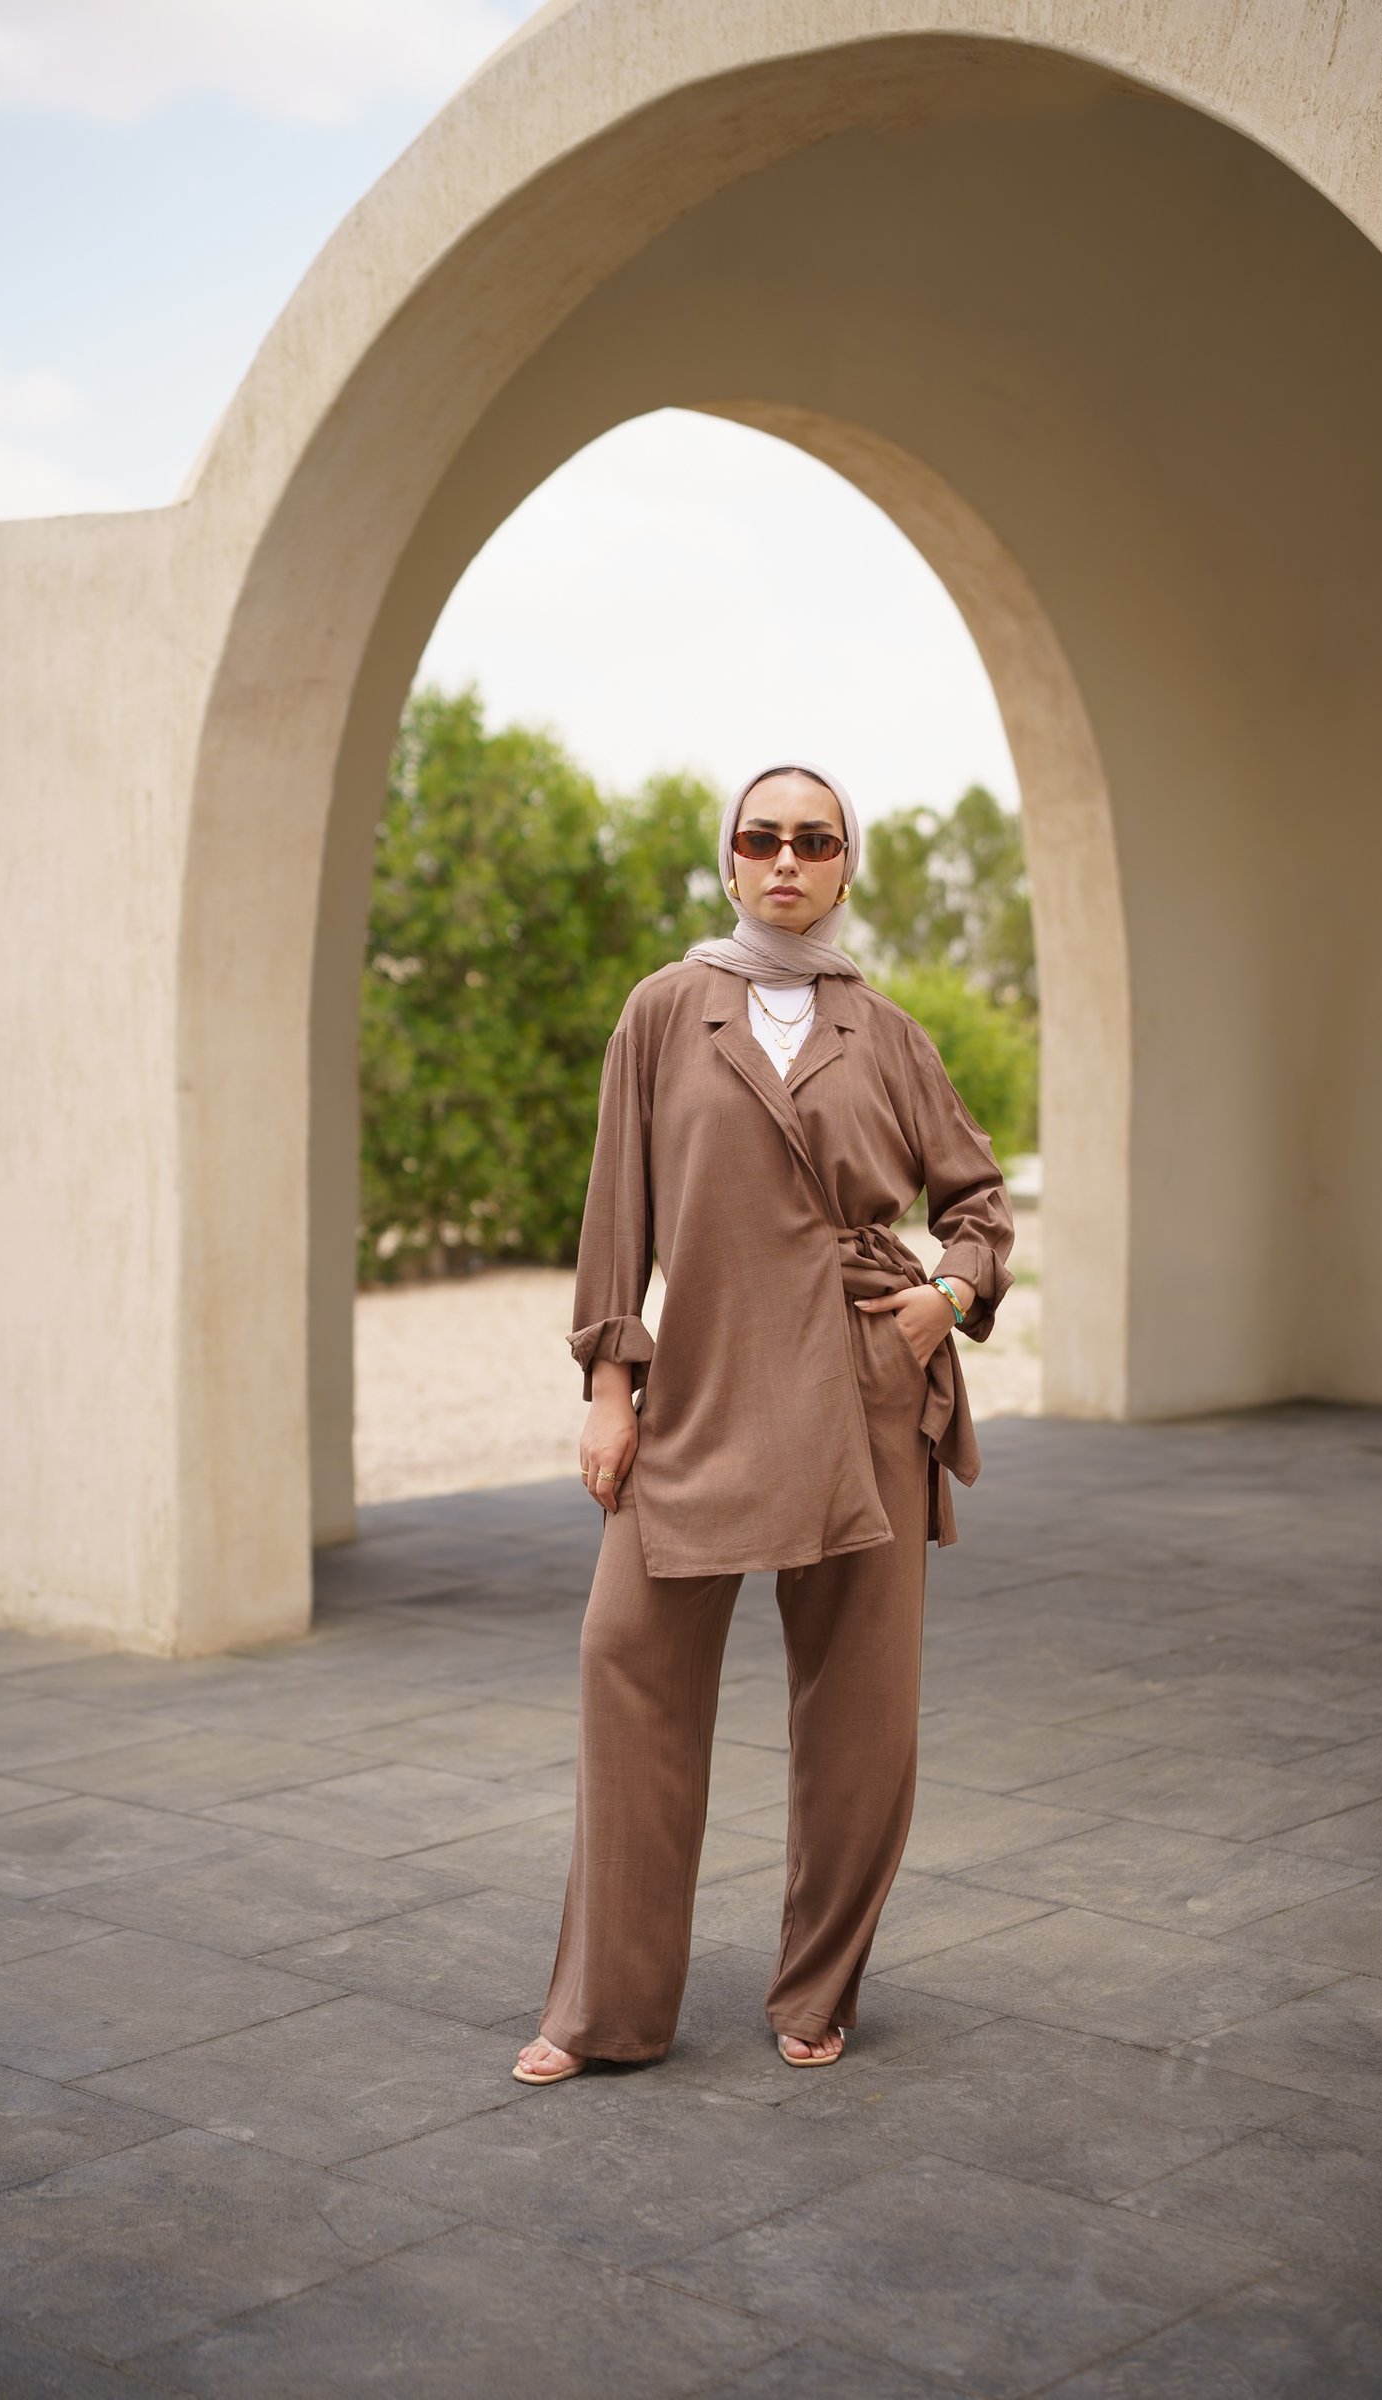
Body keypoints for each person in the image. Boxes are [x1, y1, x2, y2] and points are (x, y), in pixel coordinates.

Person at [513, 759, 1015, 2085]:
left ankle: (818, 1986)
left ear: (846, 867)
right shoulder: (665, 1012)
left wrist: (946, 1301)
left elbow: (976, 1203)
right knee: (625, 1659)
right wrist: (609, 1385)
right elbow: (616, 1208)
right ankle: (606, 2010)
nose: (786, 859)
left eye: (815, 840)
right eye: (762, 837)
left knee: (861, 1712)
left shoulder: (887, 1033)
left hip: (863, 1389)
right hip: (706, 1382)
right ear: (729, 858)